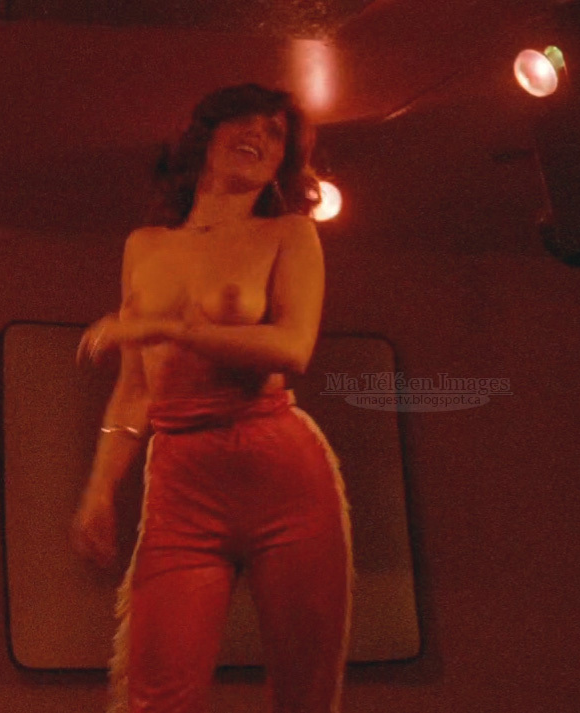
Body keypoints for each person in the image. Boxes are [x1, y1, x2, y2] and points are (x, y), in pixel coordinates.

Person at [72, 83, 352, 713]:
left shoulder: (289, 233)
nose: (258, 135)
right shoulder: (145, 245)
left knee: (304, 693)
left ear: (282, 164)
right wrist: (100, 488)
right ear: (207, 135)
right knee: (157, 694)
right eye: (244, 120)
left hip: (278, 467)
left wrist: (171, 328)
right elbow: (135, 387)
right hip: (182, 474)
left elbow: (293, 348)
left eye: (275, 132)